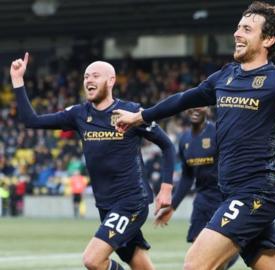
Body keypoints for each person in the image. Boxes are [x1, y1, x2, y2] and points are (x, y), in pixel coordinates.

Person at [113, 2, 275, 269]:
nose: (237, 33)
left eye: (247, 29)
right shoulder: (225, 76)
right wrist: (141, 116)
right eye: (238, 27)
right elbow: (184, 99)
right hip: (232, 192)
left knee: (195, 264)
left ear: (268, 39)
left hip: (255, 194)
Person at [10, 53, 176, 270]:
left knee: (93, 260)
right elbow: (31, 121)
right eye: (86, 76)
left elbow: (168, 146)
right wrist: (18, 80)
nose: (89, 80)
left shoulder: (131, 112)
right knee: (141, 266)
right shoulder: (78, 114)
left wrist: (166, 188)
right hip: (105, 205)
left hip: (131, 202)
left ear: (111, 80)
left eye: (95, 76)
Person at [157, 107, 239, 269]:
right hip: (202, 199)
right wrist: (173, 206)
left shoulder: (217, 132)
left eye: (200, 106)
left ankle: (235, 251)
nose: (195, 110)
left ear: (207, 109)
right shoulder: (184, 139)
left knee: (217, 256)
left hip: (223, 198)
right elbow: (187, 177)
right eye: (191, 107)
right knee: (199, 254)